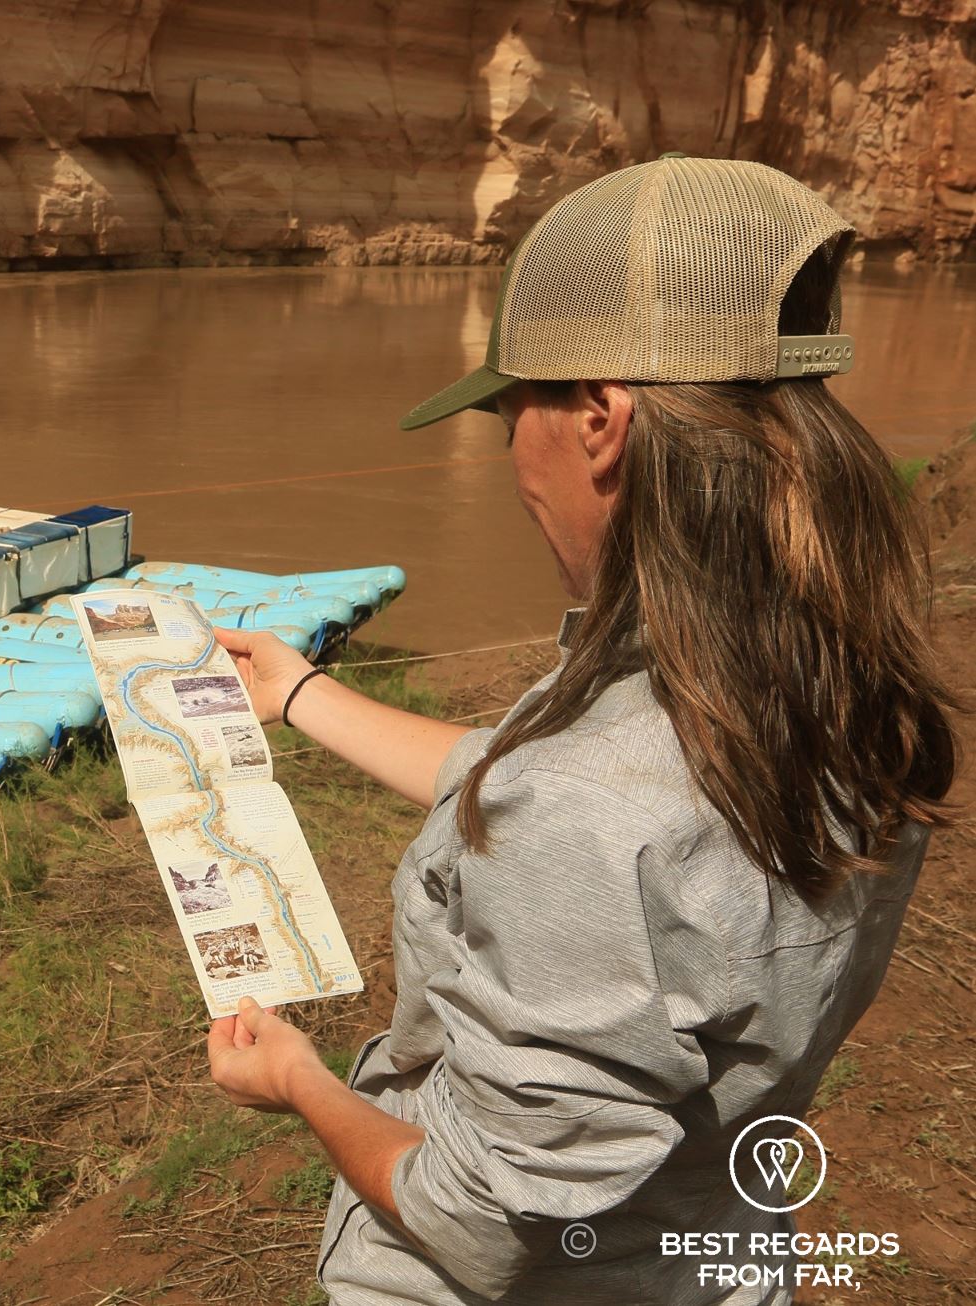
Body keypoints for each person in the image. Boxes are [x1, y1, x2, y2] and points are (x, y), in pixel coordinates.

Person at [206, 155, 958, 1303]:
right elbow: (534, 794)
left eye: (513, 408)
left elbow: (488, 1229)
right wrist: (299, 693)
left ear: (598, 418)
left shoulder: (591, 798)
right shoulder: (837, 688)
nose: (512, 456)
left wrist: (305, 1081)